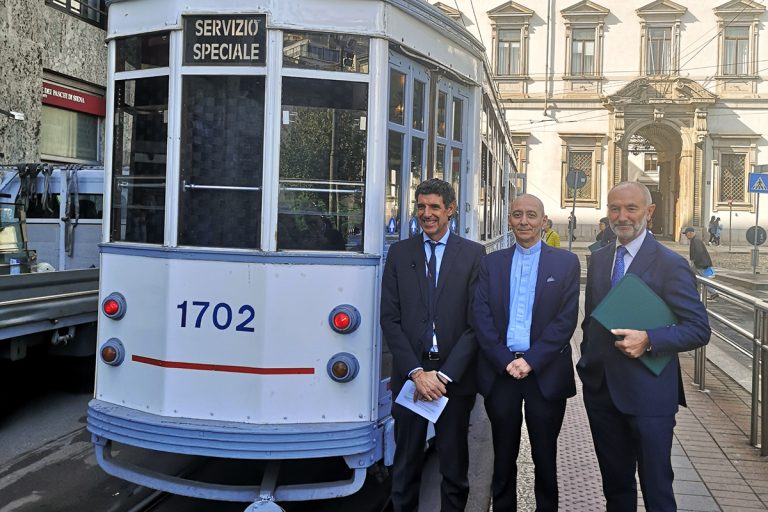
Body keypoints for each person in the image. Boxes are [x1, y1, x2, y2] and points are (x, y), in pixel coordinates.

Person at [578, 181, 711, 512]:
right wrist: (587, 365)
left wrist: (651, 339)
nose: (622, 217)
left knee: (657, 490)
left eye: (631, 209)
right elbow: (592, 320)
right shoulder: (599, 258)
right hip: (603, 394)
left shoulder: (670, 263)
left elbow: (698, 329)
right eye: (614, 209)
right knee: (616, 488)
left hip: (650, 397)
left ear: (649, 212)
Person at [380, 178, 485, 512]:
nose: (427, 214)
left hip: (453, 380)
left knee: (453, 468)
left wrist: (443, 376)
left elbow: (475, 325)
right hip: (412, 376)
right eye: (421, 206)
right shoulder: (399, 253)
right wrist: (416, 372)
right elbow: (390, 319)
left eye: (434, 207)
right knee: (406, 463)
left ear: (450, 210)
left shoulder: (472, 255)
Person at [472, 194, 580, 512]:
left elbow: (565, 320)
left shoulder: (565, 263)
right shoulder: (492, 263)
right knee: (502, 457)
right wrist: (506, 360)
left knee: (545, 457)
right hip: (501, 373)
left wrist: (530, 361)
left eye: (531, 215)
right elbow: (481, 316)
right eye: (517, 214)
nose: (524, 221)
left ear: (543, 221)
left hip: (544, 375)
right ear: (509, 220)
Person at [684, 227, 718, 300]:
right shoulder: (695, 240)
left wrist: (695, 261)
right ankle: (697, 295)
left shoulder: (696, 241)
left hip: (700, 264)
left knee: (702, 279)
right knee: (697, 279)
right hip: (700, 263)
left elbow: (699, 252)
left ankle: (713, 292)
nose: (686, 236)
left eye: (686, 234)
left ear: (690, 233)